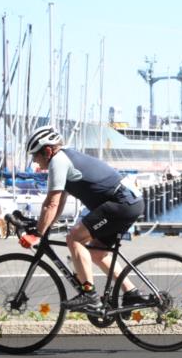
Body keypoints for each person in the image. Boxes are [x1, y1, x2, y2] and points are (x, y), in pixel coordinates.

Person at [18, 125, 150, 313]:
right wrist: (42, 228)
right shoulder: (65, 159)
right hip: (129, 201)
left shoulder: (58, 161)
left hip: (121, 202)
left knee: (74, 238)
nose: (34, 161)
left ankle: (89, 295)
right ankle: (132, 293)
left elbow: (51, 203)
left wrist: (38, 233)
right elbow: (59, 204)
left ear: (47, 151)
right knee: (97, 253)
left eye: (35, 155)